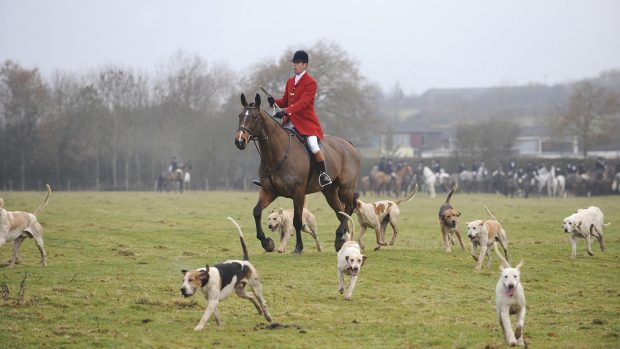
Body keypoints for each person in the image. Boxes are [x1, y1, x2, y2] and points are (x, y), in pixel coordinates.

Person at [254, 50, 332, 188]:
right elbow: (285, 100)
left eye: (297, 63)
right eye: (294, 63)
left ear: (305, 65)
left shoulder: (311, 83)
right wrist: (274, 102)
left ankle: (323, 174)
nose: (294, 65)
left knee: (313, 145)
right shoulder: (290, 82)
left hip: (307, 124)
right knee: (272, 143)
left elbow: (303, 103)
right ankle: (266, 176)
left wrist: (285, 112)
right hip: (290, 122)